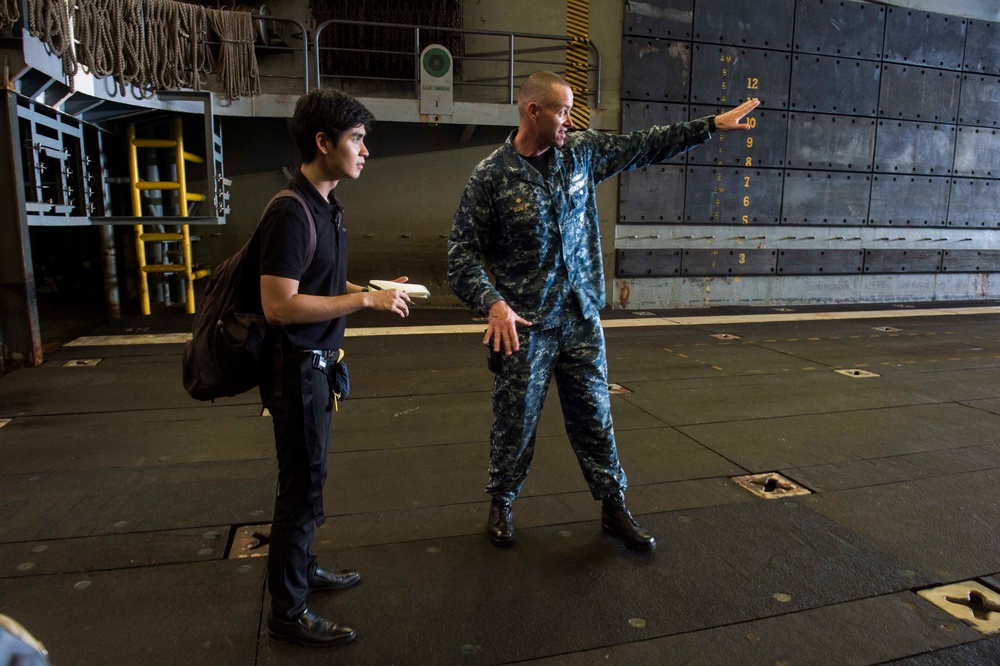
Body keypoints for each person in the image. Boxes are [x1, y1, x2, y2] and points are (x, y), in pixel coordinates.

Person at [448, 70, 760, 551]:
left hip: (580, 318)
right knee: (515, 420)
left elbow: (645, 144)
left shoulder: (582, 153)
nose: (570, 120)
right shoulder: (491, 177)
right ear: (534, 111)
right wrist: (492, 303)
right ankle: (502, 502)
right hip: (525, 326)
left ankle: (614, 507)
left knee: (595, 416)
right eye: (563, 111)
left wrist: (711, 125)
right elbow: (461, 254)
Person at [257, 88, 411, 647]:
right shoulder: (291, 212)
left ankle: (304, 570)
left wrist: (372, 291)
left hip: (316, 368)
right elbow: (280, 305)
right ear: (322, 143)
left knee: (310, 478)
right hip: (296, 368)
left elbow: (321, 285)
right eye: (356, 139)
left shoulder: (327, 206)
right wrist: (364, 303)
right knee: (298, 488)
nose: (365, 150)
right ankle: (287, 612)